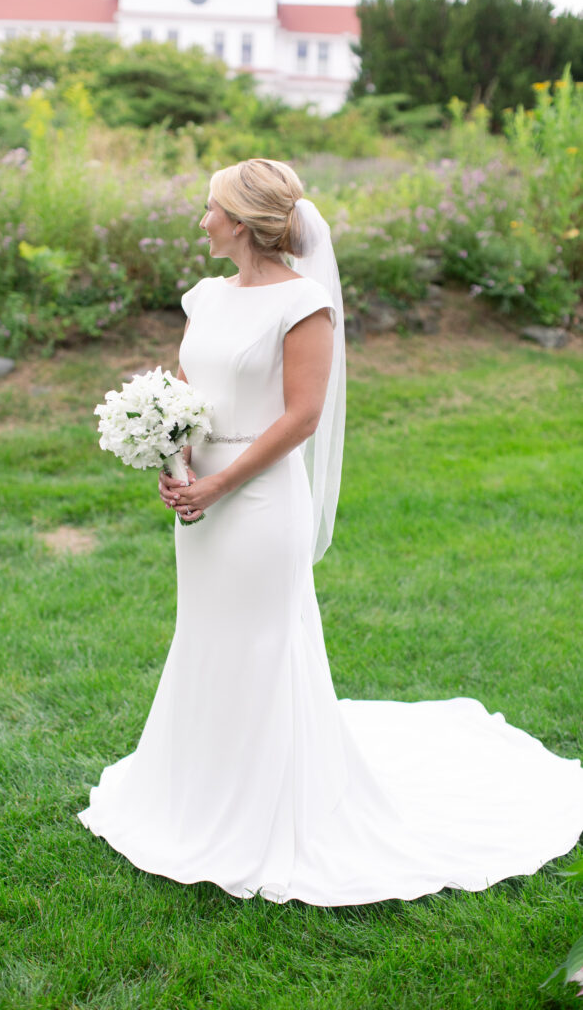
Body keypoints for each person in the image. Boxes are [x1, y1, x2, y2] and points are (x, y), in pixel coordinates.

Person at [78, 159, 583, 906]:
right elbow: (189, 389)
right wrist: (176, 455)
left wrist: (221, 481)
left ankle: (267, 811)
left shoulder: (304, 304)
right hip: (201, 497)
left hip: (257, 502)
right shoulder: (205, 296)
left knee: (260, 642)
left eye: (210, 209)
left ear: (243, 224)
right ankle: (195, 788)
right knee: (206, 635)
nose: (201, 221)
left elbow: (301, 416)